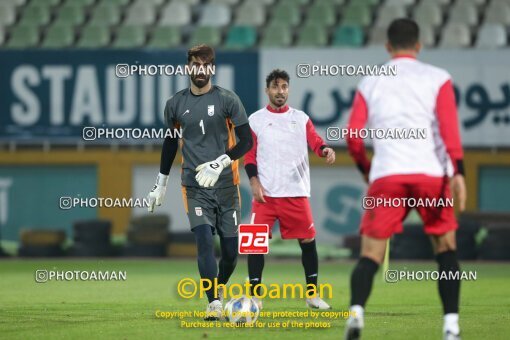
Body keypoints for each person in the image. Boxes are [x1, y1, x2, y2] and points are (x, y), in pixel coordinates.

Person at [343, 19, 467, 340]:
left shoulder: (370, 82)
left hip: (387, 175)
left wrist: (367, 170)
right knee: (446, 250)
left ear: (387, 46)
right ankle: (451, 326)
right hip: (431, 176)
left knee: (370, 254)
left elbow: (353, 136)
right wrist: (459, 174)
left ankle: (356, 313)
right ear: (419, 45)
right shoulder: (438, 78)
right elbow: (449, 131)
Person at [147, 44, 253, 320]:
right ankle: (213, 303)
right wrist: (161, 183)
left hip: (227, 186)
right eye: (196, 64)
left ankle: (218, 289)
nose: (201, 70)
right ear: (187, 68)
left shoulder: (229, 100)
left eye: (206, 65)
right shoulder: (175, 104)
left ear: (213, 69)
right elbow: (170, 144)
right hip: (194, 186)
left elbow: (247, 141)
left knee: (230, 252)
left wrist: (221, 162)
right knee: (204, 241)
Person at [244, 69, 336, 310]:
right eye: (275, 87)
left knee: (308, 241)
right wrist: (254, 182)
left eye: (284, 87)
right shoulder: (255, 120)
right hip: (265, 195)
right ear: (267, 90)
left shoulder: (301, 118)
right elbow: (249, 156)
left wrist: (324, 149)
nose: (280, 91)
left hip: (295, 191)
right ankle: (255, 296)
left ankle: (312, 295)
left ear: (288, 89)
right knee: (254, 244)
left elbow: (315, 140)